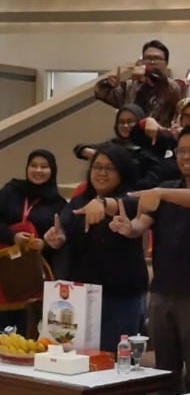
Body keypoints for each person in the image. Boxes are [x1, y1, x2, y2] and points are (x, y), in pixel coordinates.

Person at [108, 126, 190, 395]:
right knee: (164, 369)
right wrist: (128, 228)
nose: (184, 157)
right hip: (162, 288)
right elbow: (142, 223)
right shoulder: (167, 189)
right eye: (180, 151)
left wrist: (160, 192)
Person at [44, 143, 147, 352]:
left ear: (122, 171)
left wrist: (102, 203)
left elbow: (127, 206)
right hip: (80, 294)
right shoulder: (78, 201)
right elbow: (63, 231)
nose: (101, 173)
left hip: (119, 295)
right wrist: (57, 238)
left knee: (114, 357)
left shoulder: (134, 199)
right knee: (75, 356)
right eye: (97, 167)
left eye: (109, 168)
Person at [0, 150, 67, 331]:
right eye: (34, 165)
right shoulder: (10, 191)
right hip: (4, 269)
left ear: (52, 170)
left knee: (27, 330)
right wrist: (12, 236)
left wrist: (44, 245)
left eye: (44, 167)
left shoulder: (58, 204)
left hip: (35, 277)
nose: (38, 170)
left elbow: (61, 240)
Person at [94, 40, 183, 127]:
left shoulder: (171, 86)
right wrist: (109, 83)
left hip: (157, 134)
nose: (152, 62)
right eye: (148, 58)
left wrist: (149, 73)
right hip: (130, 133)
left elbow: (170, 95)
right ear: (142, 61)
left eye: (157, 58)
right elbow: (99, 92)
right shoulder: (130, 86)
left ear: (166, 63)